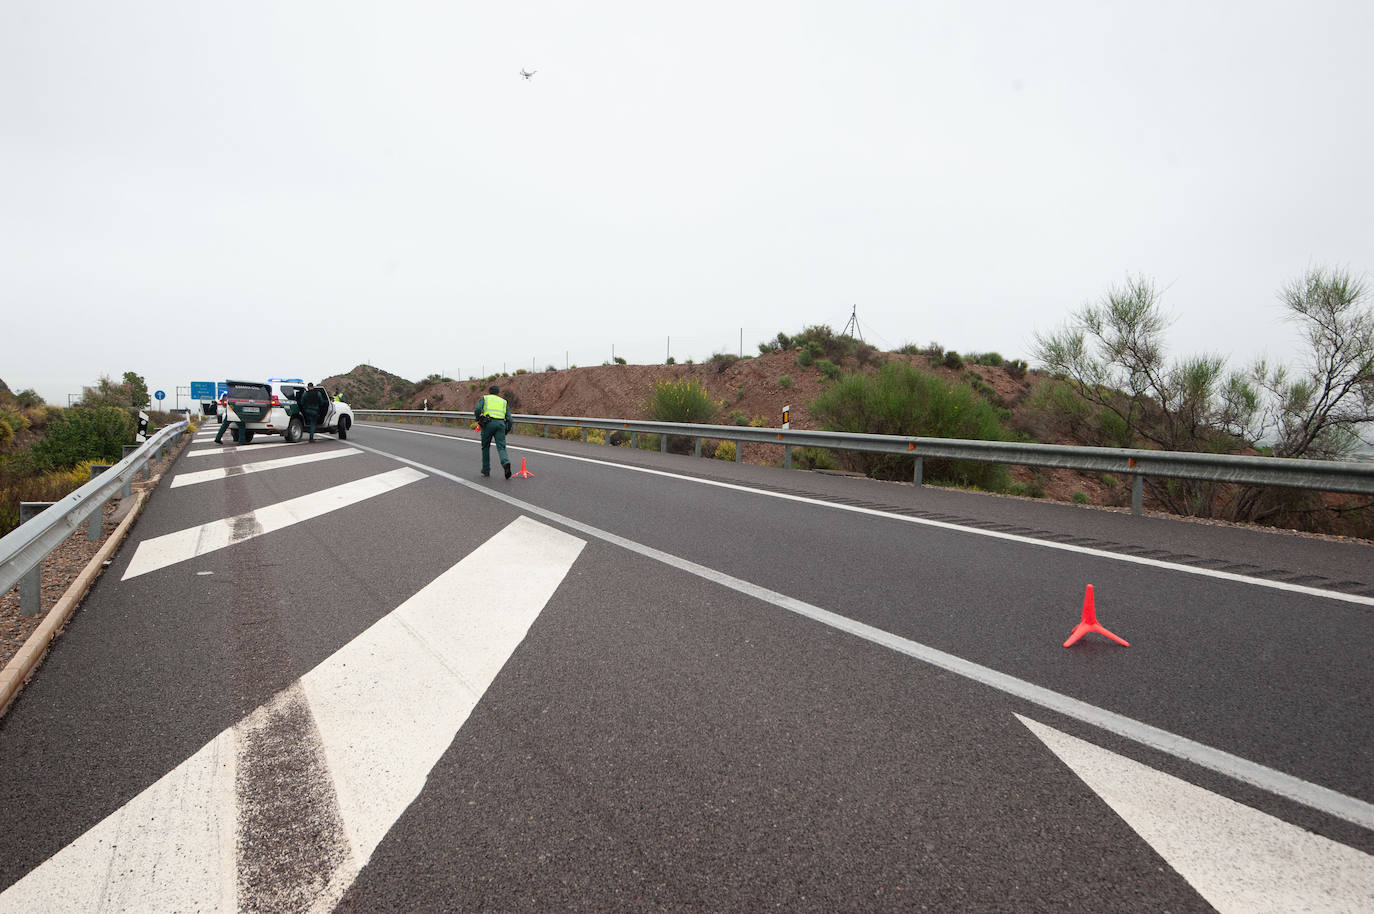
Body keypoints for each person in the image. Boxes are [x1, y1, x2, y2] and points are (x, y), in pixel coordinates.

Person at [474, 385, 513, 478]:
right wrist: (506, 430)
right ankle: (505, 462)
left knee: (485, 447)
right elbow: (510, 419)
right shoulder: (504, 402)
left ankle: (486, 470)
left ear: (489, 391)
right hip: (500, 425)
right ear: (498, 392)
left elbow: (477, 409)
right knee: (501, 447)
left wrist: (478, 418)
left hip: (488, 424)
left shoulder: (485, 398)